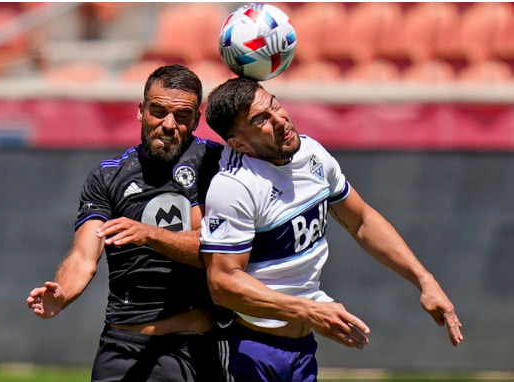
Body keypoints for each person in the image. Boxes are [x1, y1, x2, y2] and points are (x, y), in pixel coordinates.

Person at [200, 77, 464, 382]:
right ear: (238, 144)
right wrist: (309, 310)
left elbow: (361, 220)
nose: (280, 119)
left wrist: (424, 280)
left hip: (301, 348)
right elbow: (222, 284)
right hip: (250, 351)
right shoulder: (235, 186)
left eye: (275, 104)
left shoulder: (311, 154)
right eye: (260, 119)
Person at [27, 64, 225, 382]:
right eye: (158, 111)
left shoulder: (216, 165)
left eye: (182, 116)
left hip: (188, 348)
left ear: (196, 120)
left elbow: (218, 252)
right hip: (119, 349)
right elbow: (82, 256)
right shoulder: (108, 176)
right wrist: (61, 293)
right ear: (140, 110)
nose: (169, 124)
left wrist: (150, 234)